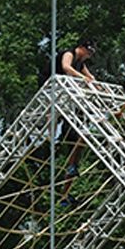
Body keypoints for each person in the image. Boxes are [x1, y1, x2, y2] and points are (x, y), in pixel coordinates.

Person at [39, 39, 97, 183]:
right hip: (49, 83)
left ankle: (55, 135)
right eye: (88, 52)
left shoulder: (80, 63)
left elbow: (90, 77)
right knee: (53, 110)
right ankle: (51, 135)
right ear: (81, 48)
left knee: (65, 109)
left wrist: (93, 83)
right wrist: (84, 78)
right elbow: (66, 67)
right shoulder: (69, 54)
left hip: (61, 87)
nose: (88, 56)